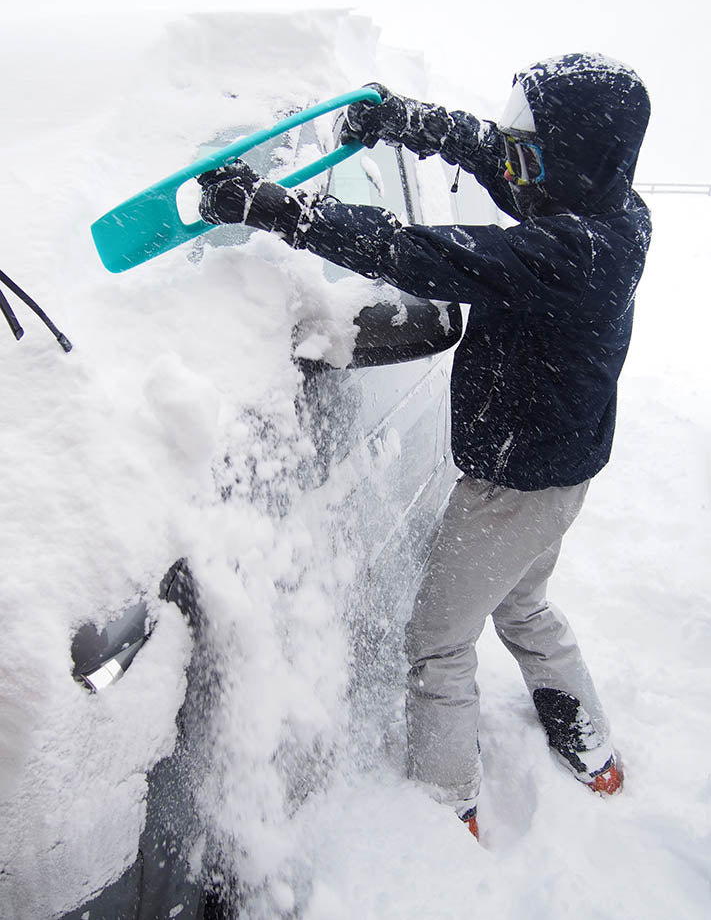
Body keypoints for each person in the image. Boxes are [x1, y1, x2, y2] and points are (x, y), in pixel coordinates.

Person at [197, 52, 652, 839]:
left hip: (517, 484)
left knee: (435, 642)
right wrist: (413, 121)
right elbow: (501, 158)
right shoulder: (609, 208)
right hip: (555, 468)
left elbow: (423, 252)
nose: (515, 160)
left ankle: (444, 814)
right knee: (523, 602)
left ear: (572, 157)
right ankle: (593, 752)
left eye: (532, 147)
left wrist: (284, 212)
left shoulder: (572, 252)